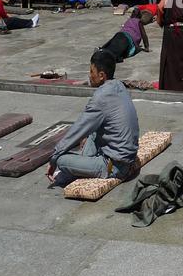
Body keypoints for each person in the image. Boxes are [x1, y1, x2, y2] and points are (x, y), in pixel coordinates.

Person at [46, 50, 140, 186]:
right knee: (91, 133)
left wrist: (54, 158)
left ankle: (82, 165)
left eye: (91, 72)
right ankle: (83, 163)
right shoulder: (119, 86)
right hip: (126, 157)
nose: (89, 76)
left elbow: (78, 130)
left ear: (101, 75)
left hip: (114, 167)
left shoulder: (100, 97)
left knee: (61, 159)